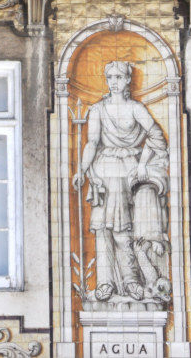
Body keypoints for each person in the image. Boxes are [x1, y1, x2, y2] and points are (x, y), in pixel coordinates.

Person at [72, 61, 169, 303]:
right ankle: (105, 282)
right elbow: (92, 143)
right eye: (110, 77)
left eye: (118, 77)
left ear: (127, 80)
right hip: (104, 170)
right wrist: (81, 170)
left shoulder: (136, 108)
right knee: (103, 229)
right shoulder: (97, 109)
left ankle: (131, 280)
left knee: (123, 230)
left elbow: (156, 136)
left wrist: (143, 163)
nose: (113, 82)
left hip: (128, 170)